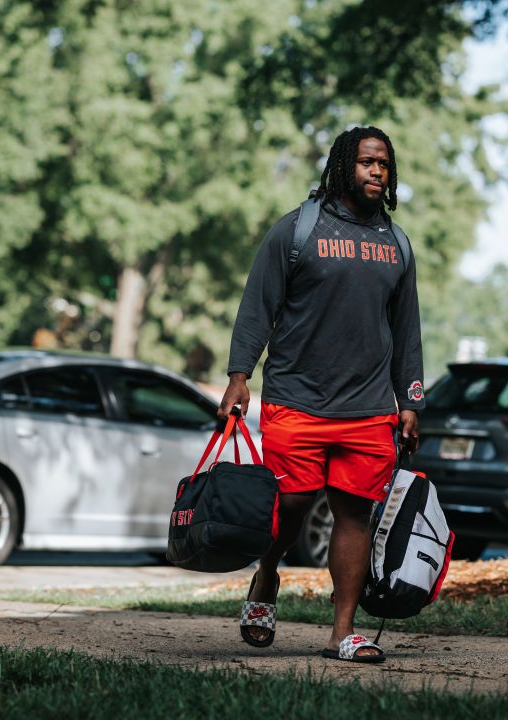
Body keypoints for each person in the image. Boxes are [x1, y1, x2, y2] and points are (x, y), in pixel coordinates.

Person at [219, 126, 424, 663]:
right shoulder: (297, 230)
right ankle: (266, 576)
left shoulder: (396, 243)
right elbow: (257, 307)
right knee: (289, 507)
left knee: (353, 516)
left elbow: (407, 332)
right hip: (296, 400)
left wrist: (411, 402)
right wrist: (240, 375)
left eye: (384, 163)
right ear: (341, 167)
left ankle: (343, 632)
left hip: (368, 409)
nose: (377, 172)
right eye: (366, 163)